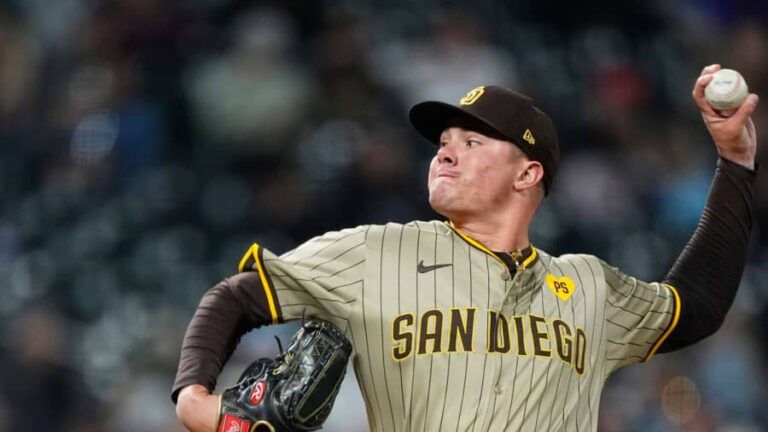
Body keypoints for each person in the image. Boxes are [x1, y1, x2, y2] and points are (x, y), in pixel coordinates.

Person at [173, 64, 759, 431]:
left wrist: (735, 163)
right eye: (443, 142)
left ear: (528, 175)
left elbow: (696, 306)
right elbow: (235, 298)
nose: (444, 152)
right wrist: (195, 400)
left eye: (472, 141)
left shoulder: (587, 284)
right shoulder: (375, 253)